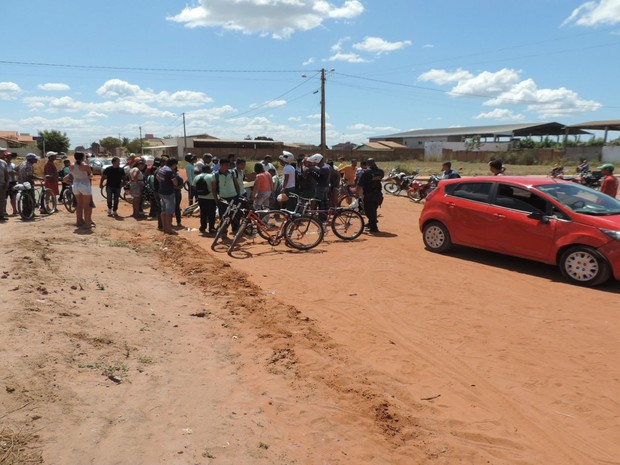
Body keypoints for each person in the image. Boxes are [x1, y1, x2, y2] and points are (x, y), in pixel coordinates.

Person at [213, 158, 241, 235]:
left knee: (235, 214)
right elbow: (214, 189)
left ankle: (235, 230)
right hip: (223, 198)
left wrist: (238, 195)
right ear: (221, 165)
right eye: (226, 165)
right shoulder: (215, 175)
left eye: (228, 165)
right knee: (223, 216)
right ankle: (223, 231)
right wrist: (216, 199)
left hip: (234, 197)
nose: (228, 166)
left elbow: (236, 185)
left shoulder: (232, 173)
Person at [356, 158, 384, 233]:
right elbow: (379, 178)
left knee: (368, 211)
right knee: (373, 210)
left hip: (369, 195)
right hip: (378, 195)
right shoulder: (380, 172)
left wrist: (357, 193)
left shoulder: (365, 173)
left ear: (367, 164)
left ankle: (374, 227)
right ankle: (371, 223)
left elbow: (359, 185)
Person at [70, 152, 94, 228]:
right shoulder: (85, 166)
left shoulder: (71, 165)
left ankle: (79, 221)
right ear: (83, 157)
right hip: (84, 185)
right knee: (86, 206)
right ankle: (87, 223)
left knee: (79, 205)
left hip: (75, 185)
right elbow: (90, 175)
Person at [156, 158, 179, 234]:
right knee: (169, 212)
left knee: (163, 211)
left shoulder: (161, 169)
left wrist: (162, 182)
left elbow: (157, 176)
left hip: (161, 192)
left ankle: (164, 228)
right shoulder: (169, 171)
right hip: (168, 193)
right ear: (174, 164)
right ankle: (168, 229)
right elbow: (175, 183)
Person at [193, 164, 217, 234]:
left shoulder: (197, 177)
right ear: (208, 169)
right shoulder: (212, 176)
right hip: (210, 198)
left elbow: (194, 186)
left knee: (203, 213)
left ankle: (203, 227)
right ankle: (211, 228)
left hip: (201, 198)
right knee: (211, 213)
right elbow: (214, 188)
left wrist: (200, 192)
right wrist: (216, 198)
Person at [0, 149, 9, 221]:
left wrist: (7, 183)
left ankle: (1, 215)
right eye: (1, 152)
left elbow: (6, 174)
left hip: (2, 184)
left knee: (2, 200)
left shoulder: (3, 162)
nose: (3, 153)